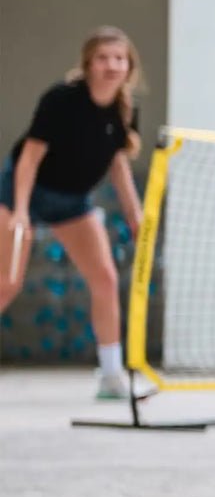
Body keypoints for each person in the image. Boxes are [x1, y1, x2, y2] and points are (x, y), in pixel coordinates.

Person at [0, 27, 155, 401]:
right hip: (23, 192)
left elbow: (118, 166)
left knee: (104, 278)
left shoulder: (126, 108)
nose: (111, 66)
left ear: (129, 66)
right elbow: (30, 157)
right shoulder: (62, 99)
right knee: (8, 281)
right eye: (103, 58)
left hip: (73, 203)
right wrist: (20, 211)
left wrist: (137, 217)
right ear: (87, 64)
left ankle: (112, 375)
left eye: (119, 59)